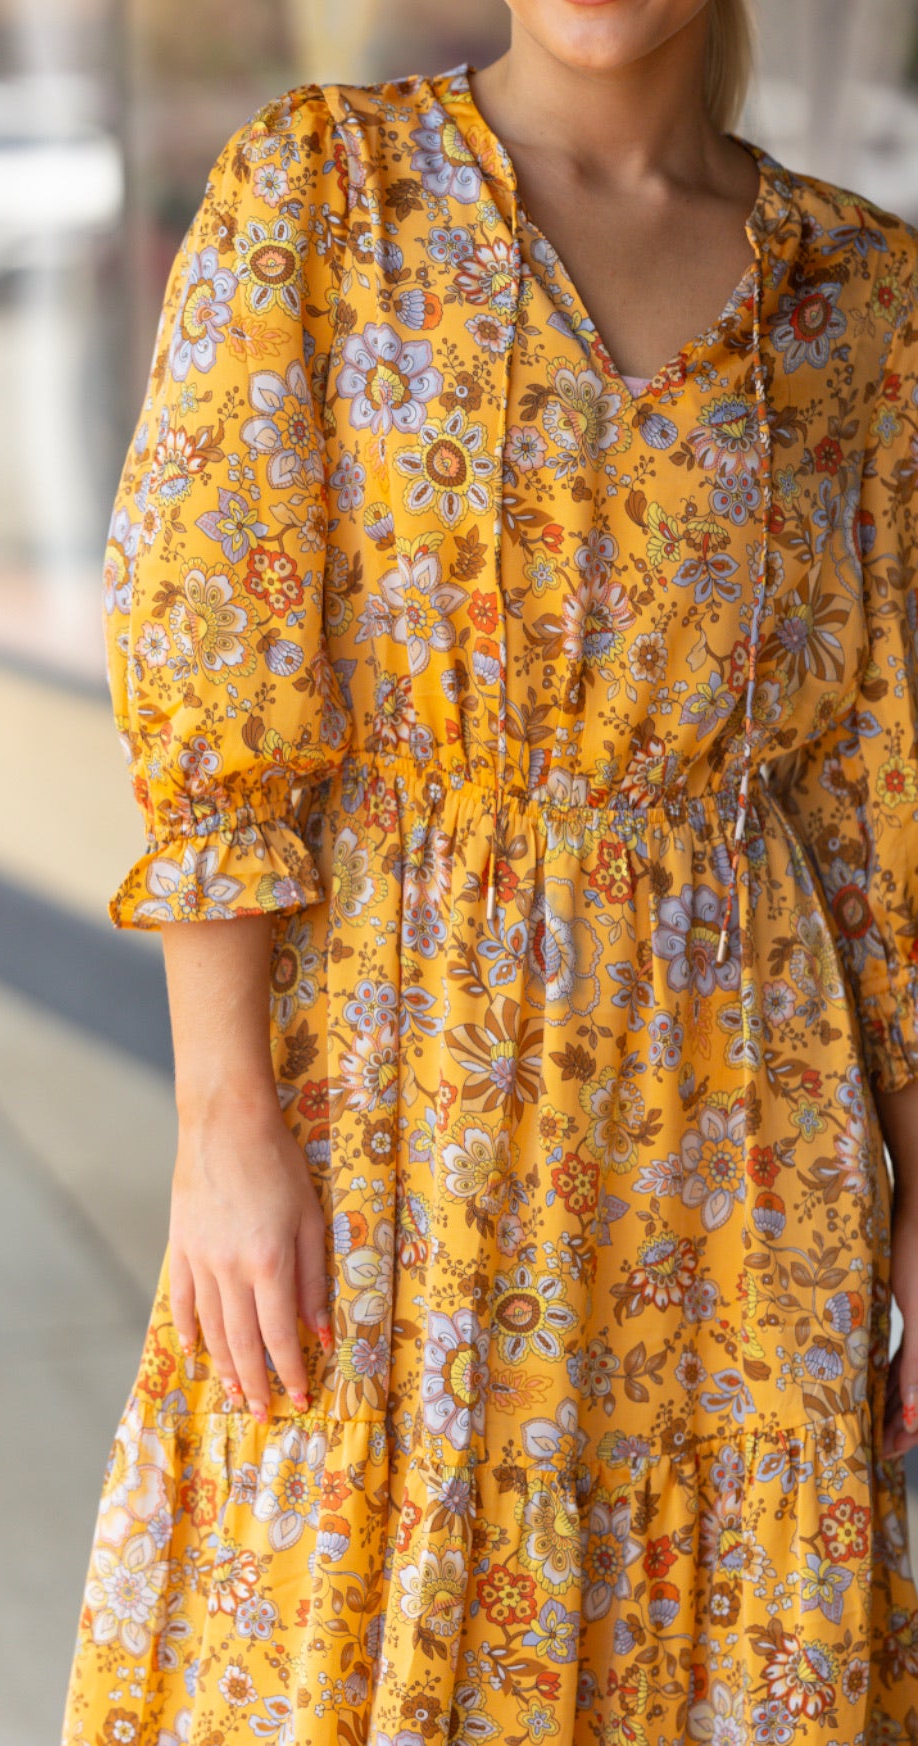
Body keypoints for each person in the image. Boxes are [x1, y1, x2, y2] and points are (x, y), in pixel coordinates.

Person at [61, 3, 918, 1740]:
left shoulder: (866, 300)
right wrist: (224, 1125)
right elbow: (215, 683)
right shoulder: (318, 196)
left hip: (744, 1173)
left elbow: (877, 801)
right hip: (384, 1124)